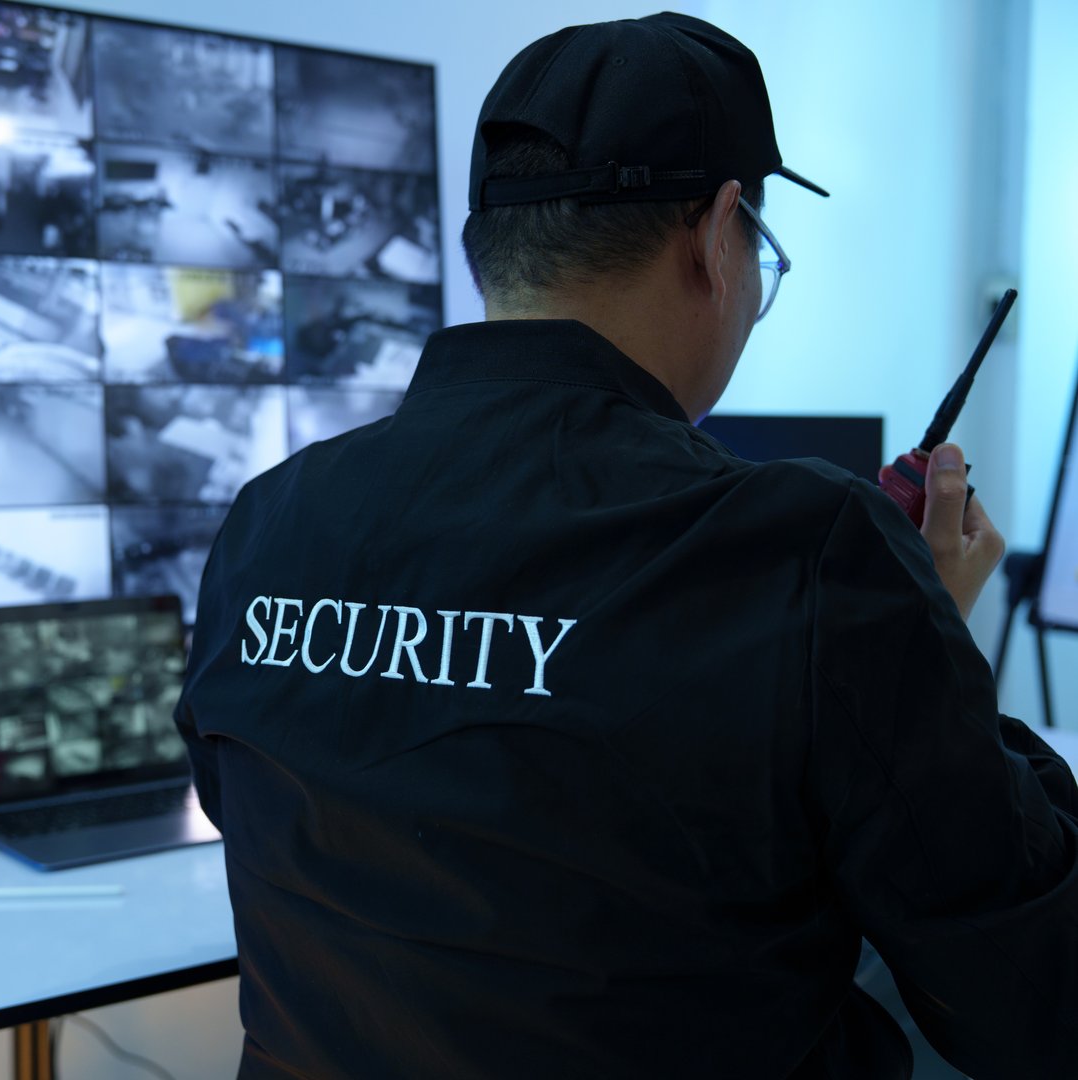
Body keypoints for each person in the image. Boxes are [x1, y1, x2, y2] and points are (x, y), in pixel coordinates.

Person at [174, 13, 1078, 1079]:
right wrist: (929, 646)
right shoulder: (808, 549)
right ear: (718, 236)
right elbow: (1034, 996)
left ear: (489, 247)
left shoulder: (267, 520)